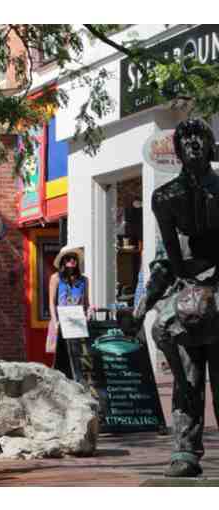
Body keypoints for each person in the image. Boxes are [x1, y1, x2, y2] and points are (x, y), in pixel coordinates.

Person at [134, 118, 219, 478]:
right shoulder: (167, 198)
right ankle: (184, 450)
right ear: (178, 151)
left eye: (200, 137)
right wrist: (142, 305)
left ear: (211, 145)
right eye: (185, 139)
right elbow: (164, 260)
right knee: (187, 380)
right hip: (187, 299)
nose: (193, 144)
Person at [48, 246, 94, 382]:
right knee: (61, 357)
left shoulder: (84, 280)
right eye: (68, 258)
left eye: (74, 258)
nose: (72, 261)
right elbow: (51, 302)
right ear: (63, 261)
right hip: (61, 322)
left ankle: (77, 383)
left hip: (78, 323)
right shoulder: (55, 278)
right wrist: (55, 321)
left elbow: (86, 302)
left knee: (77, 356)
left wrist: (89, 312)